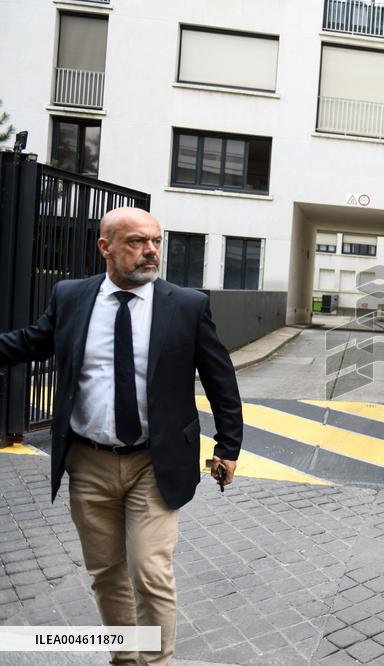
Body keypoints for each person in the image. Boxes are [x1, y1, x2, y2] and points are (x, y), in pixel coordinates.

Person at [0, 207, 243, 664]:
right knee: (107, 573)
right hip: (88, 462)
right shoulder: (72, 297)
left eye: (155, 240)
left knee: (150, 570)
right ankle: (125, 658)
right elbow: (32, 341)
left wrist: (228, 446)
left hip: (155, 460)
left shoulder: (186, 304)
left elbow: (220, 379)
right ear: (105, 247)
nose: (150, 250)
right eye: (136, 241)